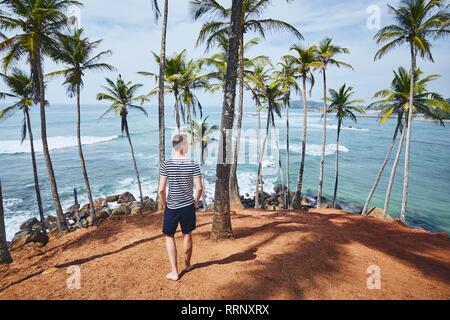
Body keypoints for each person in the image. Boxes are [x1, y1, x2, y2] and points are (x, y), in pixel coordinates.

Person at [158, 134, 203, 281]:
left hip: (172, 206)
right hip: (188, 206)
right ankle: (187, 264)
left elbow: (161, 190)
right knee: (187, 234)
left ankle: (174, 272)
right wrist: (195, 202)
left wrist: (164, 204)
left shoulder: (167, 164)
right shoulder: (193, 164)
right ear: (182, 146)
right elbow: (200, 188)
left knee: (169, 236)